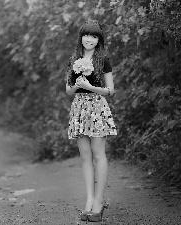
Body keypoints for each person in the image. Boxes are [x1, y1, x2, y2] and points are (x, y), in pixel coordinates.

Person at [65, 20, 117, 222]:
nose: (90, 39)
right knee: (85, 156)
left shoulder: (103, 59)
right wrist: (77, 85)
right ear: (81, 37)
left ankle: (99, 201)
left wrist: (91, 86)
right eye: (87, 35)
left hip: (97, 107)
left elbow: (111, 91)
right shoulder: (74, 59)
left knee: (98, 155)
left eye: (94, 36)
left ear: (99, 40)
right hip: (78, 108)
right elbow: (68, 91)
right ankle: (89, 200)